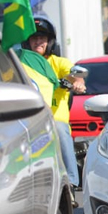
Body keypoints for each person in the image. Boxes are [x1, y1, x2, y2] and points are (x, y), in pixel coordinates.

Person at [22, 16, 84, 188]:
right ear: (27, 42)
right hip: (29, 121)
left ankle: (71, 182)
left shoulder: (58, 62)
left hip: (54, 120)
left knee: (57, 127)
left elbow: (76, 74)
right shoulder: (20, 63)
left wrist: (77, 82)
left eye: (42, 38)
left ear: (49, 41)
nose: (38, 42)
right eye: (34, 38)